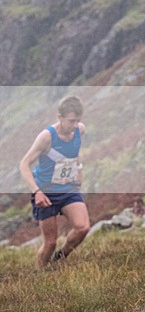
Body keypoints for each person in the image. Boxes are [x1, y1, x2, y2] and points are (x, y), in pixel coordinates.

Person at [19, 96, 91, 268]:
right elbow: (24, 164)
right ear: (60, 117)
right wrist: (37, 192)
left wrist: (79, 168)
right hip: (46, 192)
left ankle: (60, 258)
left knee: (82, 228)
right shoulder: (46, 137)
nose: (74, 125)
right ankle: (39, 274)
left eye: (77, 120)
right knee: (50, 243)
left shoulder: (79, 130)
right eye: (71, 121)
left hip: (68, 189)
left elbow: (74, 152)